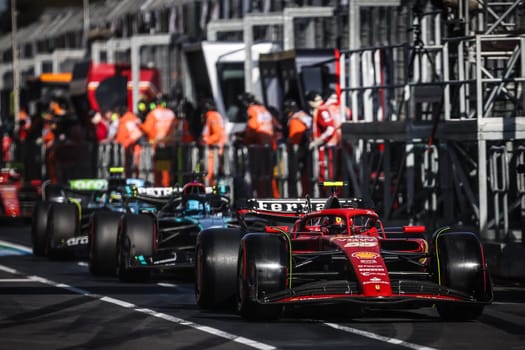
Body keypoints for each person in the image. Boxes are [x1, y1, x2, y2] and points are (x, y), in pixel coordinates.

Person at [239, 92, 279, 198]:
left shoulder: (252, 110)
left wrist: (243, 140)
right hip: (270, 145)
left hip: (258, 147)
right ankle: (273, 197)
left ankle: (261, 198)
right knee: (269, 175)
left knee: (258, 175)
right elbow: (275, 126)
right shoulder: (264, 109)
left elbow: (251, 129)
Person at [139, 95, 177, 186]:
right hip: (170, 144)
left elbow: (147, 128)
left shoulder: (154, 113)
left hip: (157, 145)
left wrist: (139, 125)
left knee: (159, 170)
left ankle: (161, 187)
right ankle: (167, 185)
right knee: (168, 168)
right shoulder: (171, 113)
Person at [306, 90, 338, 196]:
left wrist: (318, 142)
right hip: (331, 147)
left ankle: (328, 200)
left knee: (325, 175)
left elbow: (330, 128)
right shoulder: (323, 110)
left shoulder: (322, 110)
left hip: (325, 149)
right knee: (324, 176)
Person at [283, 98, 312, 197]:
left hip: (301, 149)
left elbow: (295, 138)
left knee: (298, 174)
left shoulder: (295, 119)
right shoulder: (303, 115)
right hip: (308, 148)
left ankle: (301, 194)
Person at [199, 99, 226, 186]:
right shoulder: (215, 115)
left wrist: (205, 141)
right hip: (214, 149)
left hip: (213, 150)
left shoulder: (212, 116)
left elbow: (218, 135)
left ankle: (210, 191)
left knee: (210, 173)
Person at [115, 105, 144, 177]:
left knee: (132, 169)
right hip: (135, 149)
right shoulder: (134, 119)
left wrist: (127, 142)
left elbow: (136, 134)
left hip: (130, 149)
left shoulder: (126, 121)